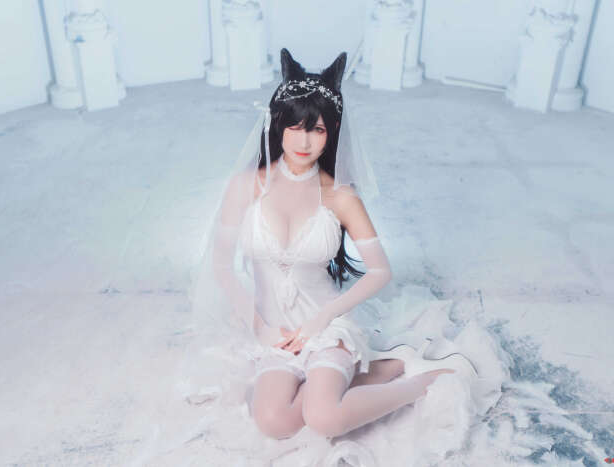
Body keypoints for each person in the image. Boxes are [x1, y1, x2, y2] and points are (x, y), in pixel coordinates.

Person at [192, 48, 478, 441]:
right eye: (296, 127)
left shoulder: (340, 196)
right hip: (274, 331)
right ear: (278, 124)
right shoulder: (246, 186)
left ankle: (422, 380)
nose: (304, 141)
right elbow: (222, 265)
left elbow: (380, 270)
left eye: (318, 130)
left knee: (324, 418)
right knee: (274, 423)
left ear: (333, 132)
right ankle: (384, 367)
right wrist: (260, 327)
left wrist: (320, 321)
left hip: (326, 327)